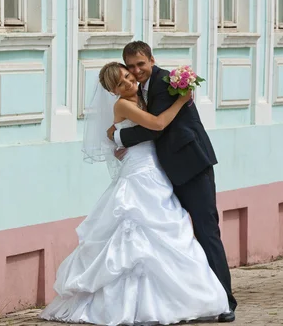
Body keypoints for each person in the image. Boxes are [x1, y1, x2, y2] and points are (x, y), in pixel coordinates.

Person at [39, 62, 229, 326]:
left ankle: (181, 300)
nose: (128, 83)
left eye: (129, 76)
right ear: (112, 91)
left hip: (155, 169)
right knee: (134, 236)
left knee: (169, 234)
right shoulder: (123, 105)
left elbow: (130, 131)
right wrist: (181, 101)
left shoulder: (143, 96)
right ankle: (131, 305)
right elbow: (158, 123)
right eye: (120, 83)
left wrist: (117, 136)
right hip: (139, 173)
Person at [108, 41, 237, 322]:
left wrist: (120, 137)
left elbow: (156, 127)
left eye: (140, 64)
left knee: (205, 231)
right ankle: (187, 299)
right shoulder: (140, 89)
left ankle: (225, 301)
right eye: (130, 67)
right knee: (174, 238)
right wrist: (115, 131)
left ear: (152, 60)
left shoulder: (167, 83)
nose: (136, 71)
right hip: (163, 172)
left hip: (191, 167)